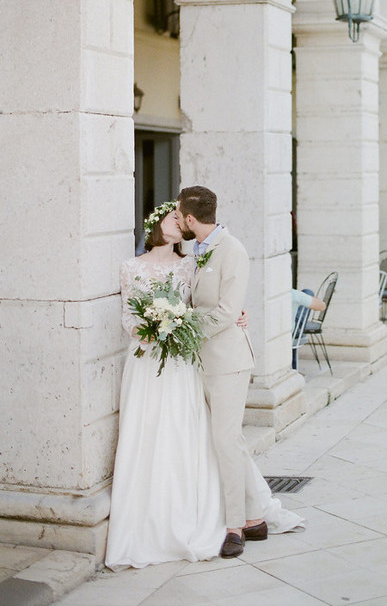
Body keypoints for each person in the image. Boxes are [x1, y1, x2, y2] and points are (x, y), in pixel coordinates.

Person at [175, 186, 304, 559]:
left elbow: (226, 312)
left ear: (189, 218)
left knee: (226, 442)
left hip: (228, 363)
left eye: (180, 215)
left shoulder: (233, 251)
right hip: (202, 361)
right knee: (229, 442)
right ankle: (254, 518)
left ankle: (235, 527)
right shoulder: (196, 251)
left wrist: (180, 324)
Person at [106, 201, 228, 568]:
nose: (180, 223)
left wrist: (236, 312)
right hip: (144, 361)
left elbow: (205, 303)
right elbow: (127, 312)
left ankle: (185, 515)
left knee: (180, 428)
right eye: (175, 217)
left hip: (177, 360)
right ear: (158, 224)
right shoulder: (131, 267)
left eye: (182, 219)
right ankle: (145, 520)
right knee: (145, 430)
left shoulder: (189, 264)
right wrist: (147, 333)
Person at [291, 288, 326, 369]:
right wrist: (305, 298)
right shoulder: (293, 294)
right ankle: (293, 368)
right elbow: (322, 306)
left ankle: (293, 367)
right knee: (308, 292)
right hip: (291, 333)